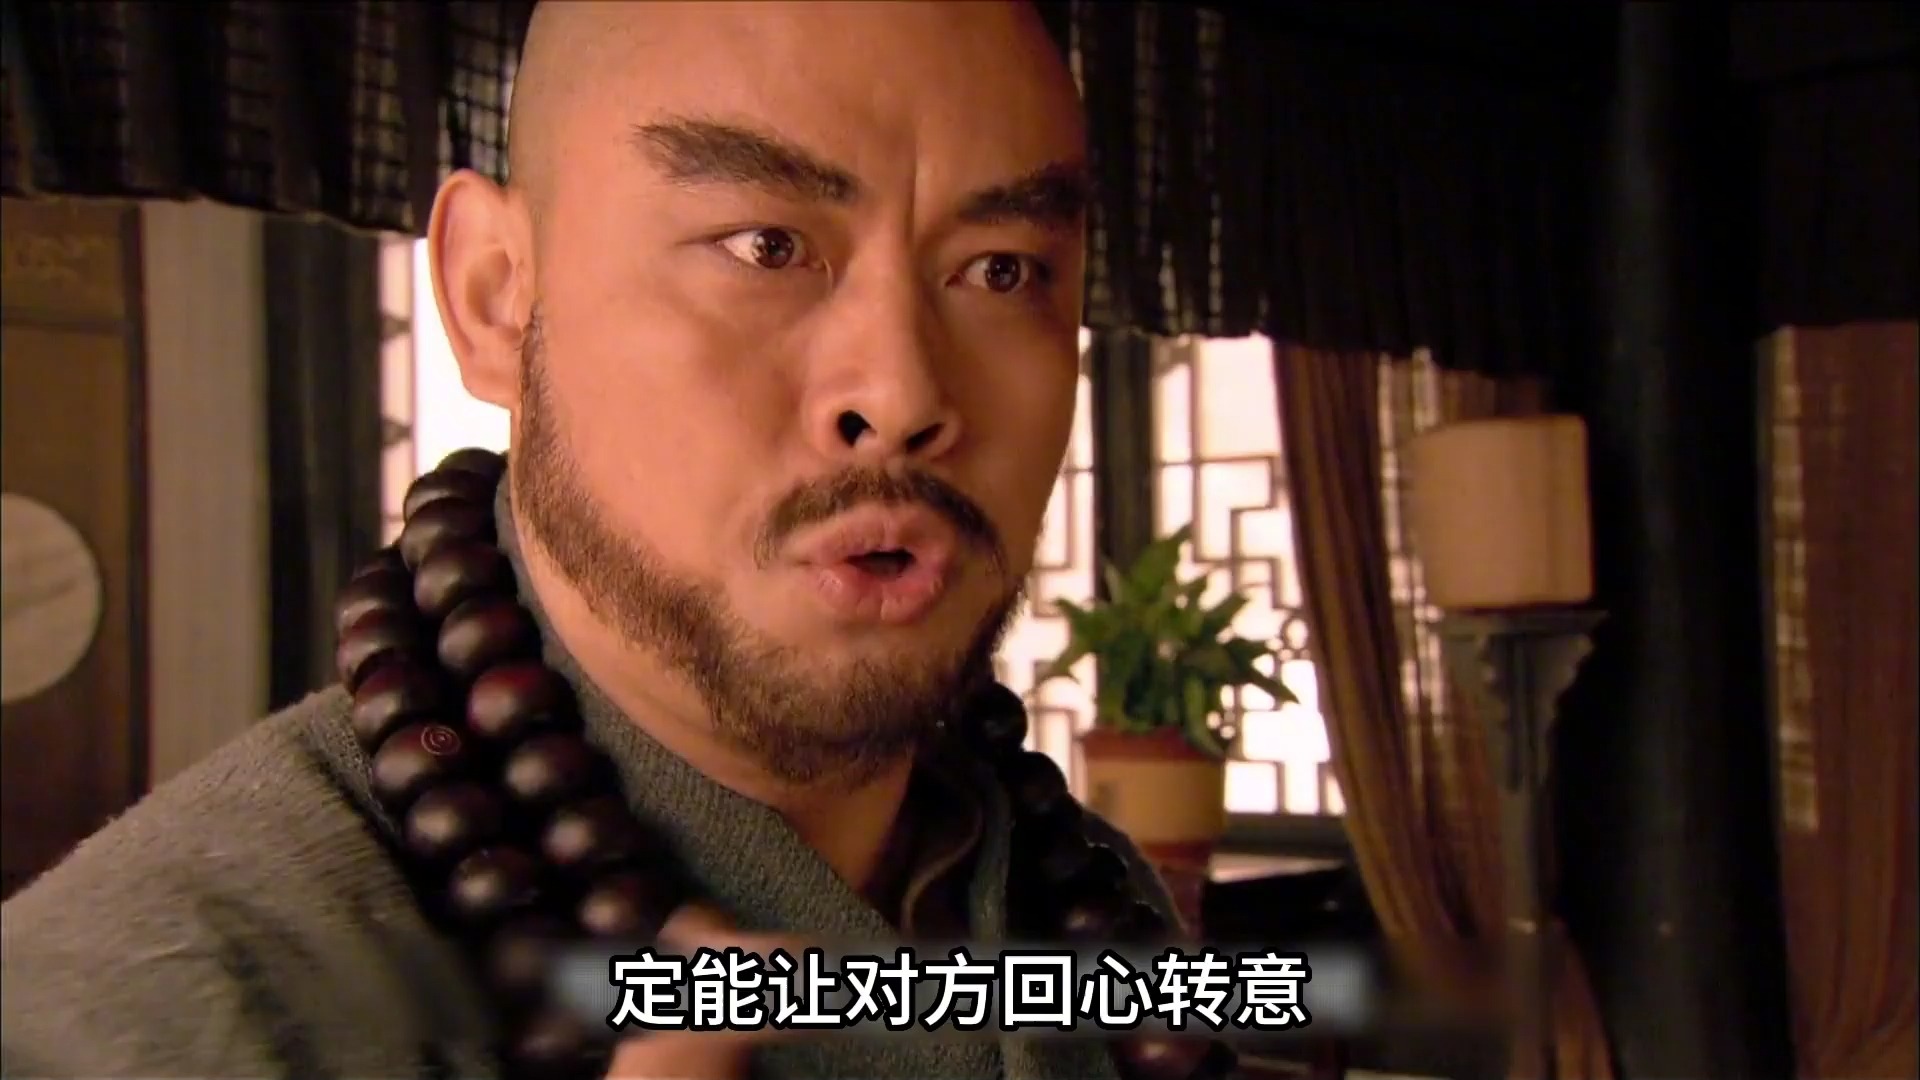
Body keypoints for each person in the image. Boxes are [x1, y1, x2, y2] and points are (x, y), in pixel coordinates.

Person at [2, 3, 1232, 1079]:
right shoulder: (146, 1001)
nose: (903, 393)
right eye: (766, 247)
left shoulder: (1087, 896)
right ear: (496, 296)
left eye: (1003, 269)